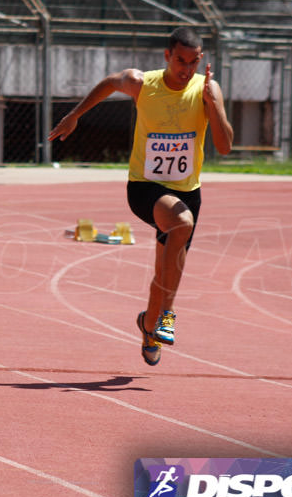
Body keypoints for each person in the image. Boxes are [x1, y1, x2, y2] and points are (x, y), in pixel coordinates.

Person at [48, 26, 233, 367]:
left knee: (165, 269)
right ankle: (168, 316)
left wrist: (213, 104)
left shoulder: (207, 89)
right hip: (145, 188)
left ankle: (148, 325)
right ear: (167, 56)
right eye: (180, 60)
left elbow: (224, 145)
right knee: (181, 223)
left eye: (193, 62)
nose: (185, 69)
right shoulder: (142, 83)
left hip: (187, 191)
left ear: (200, 60)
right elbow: (110, 83)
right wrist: (75, 115)